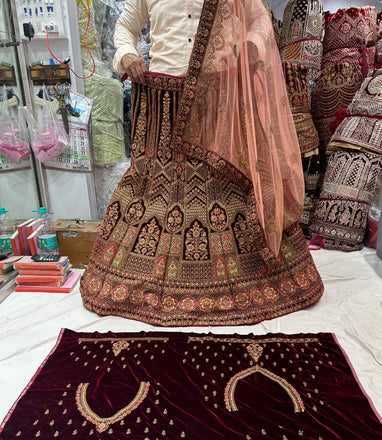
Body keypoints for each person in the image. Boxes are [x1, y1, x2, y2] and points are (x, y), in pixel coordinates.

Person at [80, 0, 324, 326]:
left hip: (217, 101)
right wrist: (127, 54)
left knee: (226, 183)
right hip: (162, 101)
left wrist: (250, 48)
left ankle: (244, 280)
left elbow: (260, 22)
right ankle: (148, 282)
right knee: (152, 188)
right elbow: (124, 27)